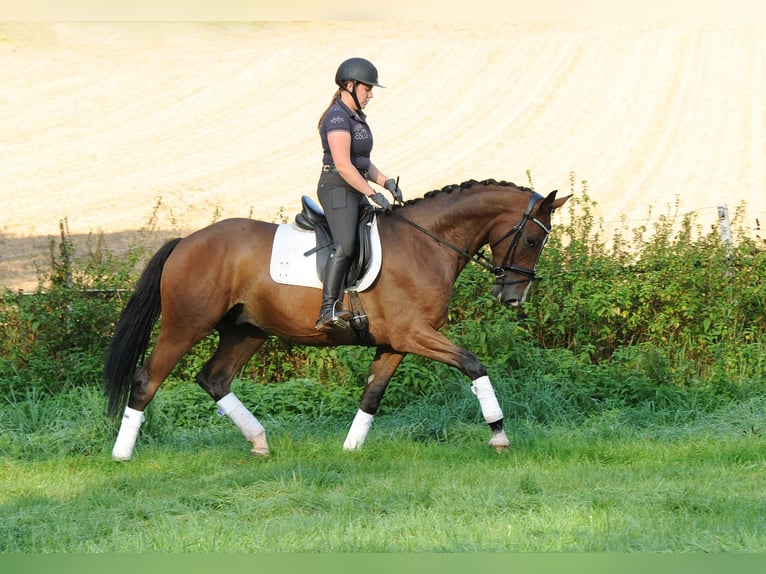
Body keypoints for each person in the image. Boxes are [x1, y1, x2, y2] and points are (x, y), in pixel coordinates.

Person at [314, 57, 403, 332]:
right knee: (346, 244)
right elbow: (343, 164)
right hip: (337, 187)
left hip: (353, 185)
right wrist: (371, 193)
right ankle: (327, 308)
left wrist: (386, 181)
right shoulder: (337, 118)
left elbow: (362, 162)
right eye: (367, 89)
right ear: (349, 85)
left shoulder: (356, 118)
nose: (371, 95)